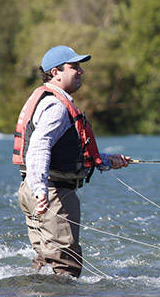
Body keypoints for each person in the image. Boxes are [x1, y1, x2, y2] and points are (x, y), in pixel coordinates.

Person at [12, 45, 129, 277]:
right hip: (52, 193)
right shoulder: (56, 106)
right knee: (65, 265)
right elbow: (39, 146)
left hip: (34, 188)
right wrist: (41, 191)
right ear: (55, 72)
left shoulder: (45, 98)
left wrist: (106, 160)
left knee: (46, 263)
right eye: (74, 67)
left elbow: (64, 152)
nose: (81, 71)